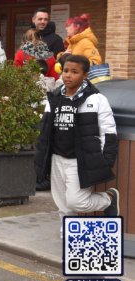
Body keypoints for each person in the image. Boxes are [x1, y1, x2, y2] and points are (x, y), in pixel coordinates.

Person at [34, 55, 119, 227]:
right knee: (62, 204)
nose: (68, 75)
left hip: (80, 160)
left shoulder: (96, 99)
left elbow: (109, 132)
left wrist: (106, 159)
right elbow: (45, 131)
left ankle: (108, 199)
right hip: (57, 158)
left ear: (85, 75)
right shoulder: (54, 98)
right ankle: (68, 237)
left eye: (74, 72)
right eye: (65, 71)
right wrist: (41, 158)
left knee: (75, 201)